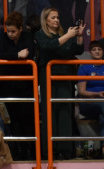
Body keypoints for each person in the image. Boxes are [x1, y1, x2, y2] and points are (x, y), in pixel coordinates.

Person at [35, 7, 85, 160]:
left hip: (66, 76)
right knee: (50, 112)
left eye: (57, 17)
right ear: (45, 20)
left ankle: (66, 150)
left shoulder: (65, 34)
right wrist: (68, 35)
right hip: (48, 76)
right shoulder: (40, 34)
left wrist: (79, 36)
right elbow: (48, 46)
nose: (56, 20)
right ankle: (49, 150)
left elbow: (77, 50)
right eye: (52, 18)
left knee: (65, 112)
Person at [0, 13, 37, 159]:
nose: (10, 34)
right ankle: (19, 151)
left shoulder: (28, 36)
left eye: (13, 31)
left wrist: (11, 55)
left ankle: (32, 151)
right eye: (8, 31)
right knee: (15, 119)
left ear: (20, 29)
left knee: (28, 119)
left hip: (26, 86)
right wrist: (17, 55)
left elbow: (29, 55)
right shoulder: (2, 37)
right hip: (8, 85)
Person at [77, 42, 104, 158]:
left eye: (99, 49)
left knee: (103, 115)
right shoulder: (84, 67)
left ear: (103, 51)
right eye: (94, 50)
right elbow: (82, 92)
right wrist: (97, 94)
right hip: (88, 103)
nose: (97, 51)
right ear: (90, 52)